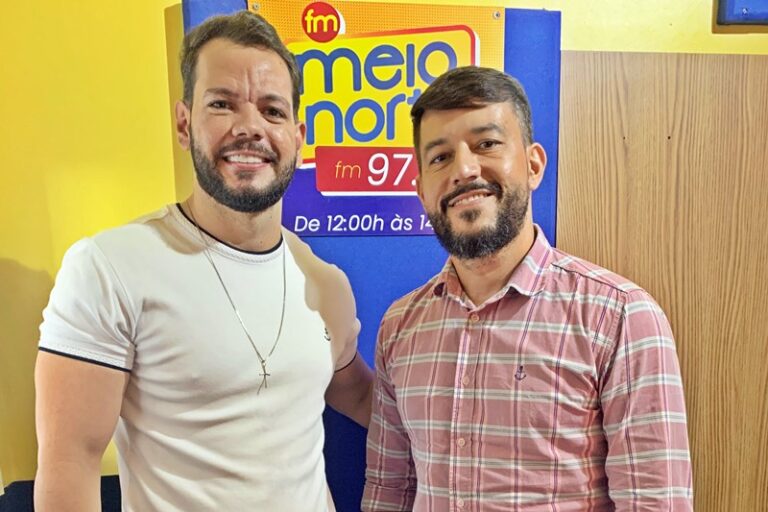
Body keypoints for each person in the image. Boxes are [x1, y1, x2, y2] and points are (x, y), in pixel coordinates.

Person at [34, 11, 372, 512]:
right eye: (222, 104)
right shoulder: (108, 268)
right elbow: (70, 465)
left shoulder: (324, 284)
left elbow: (361, 396)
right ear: (183, 122)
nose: (250, 127)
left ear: (299, 137)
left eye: (272, 111)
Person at [362, 66, 693, 511]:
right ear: (422, 191)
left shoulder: (620, 318)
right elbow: (389, 490)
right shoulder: (400, 327)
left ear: (533, 165)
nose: (464, 169)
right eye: (440, 157)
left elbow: (653, 502)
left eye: (486, 144)